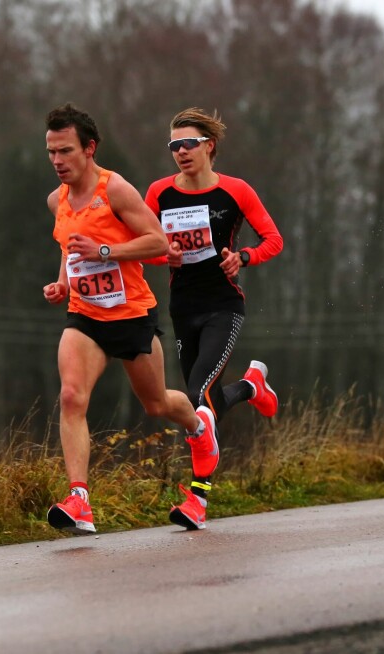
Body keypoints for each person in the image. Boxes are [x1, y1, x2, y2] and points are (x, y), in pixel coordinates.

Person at [42, 103, 217, 534]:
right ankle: (79, 499)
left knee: (156, 404)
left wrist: (105, 252)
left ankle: (199, 425)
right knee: (71, 396)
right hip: (84, 316)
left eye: (65, 151)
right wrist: (63, 281)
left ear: (89, 149)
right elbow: (70, 247)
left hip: (131, 314)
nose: (57, 161)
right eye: (51, 152)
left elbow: (157, 241)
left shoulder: (115, 190)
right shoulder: (56, 201)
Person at [144, 107, 284, 529]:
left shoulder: (236, 191)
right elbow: (142, 243)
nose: (181, 152)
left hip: (224, 306)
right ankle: (250, 386)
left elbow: (273, 239)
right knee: (202, 402)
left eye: (189, 144)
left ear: (209, 146)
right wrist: (160, 253)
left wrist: (242, 257)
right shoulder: (159, 193)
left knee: (197, 397)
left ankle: (198, 500)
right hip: (182, 307)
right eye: (174, 146)